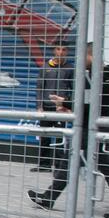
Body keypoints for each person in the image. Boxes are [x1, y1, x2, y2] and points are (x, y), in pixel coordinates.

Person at [28, 42, 109, 218]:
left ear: (91, 56)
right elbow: (83, 102)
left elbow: (91, 101)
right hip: (89, 128)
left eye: (83, 56)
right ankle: (48, 198)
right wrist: (66, 103)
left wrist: (65, 104)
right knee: (70, 163)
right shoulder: (89, 75)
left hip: (96, 129)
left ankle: (48, 198)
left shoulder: (103, 75)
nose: (79, 59)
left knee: (107, 168)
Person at [33, 44, 73, 172]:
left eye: (64, 49)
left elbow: (72, 88)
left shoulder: (70, 68)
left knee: (60, 136)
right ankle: (44, 165)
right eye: (58, 49)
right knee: (44, 136)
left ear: (67, 51)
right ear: (54, 50)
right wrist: (39, 106)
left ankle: (59, 167)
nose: (61, 52)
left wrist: (69, 105)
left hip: (60, 108)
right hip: (46, 107)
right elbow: (40, 88)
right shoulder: (45, 67)